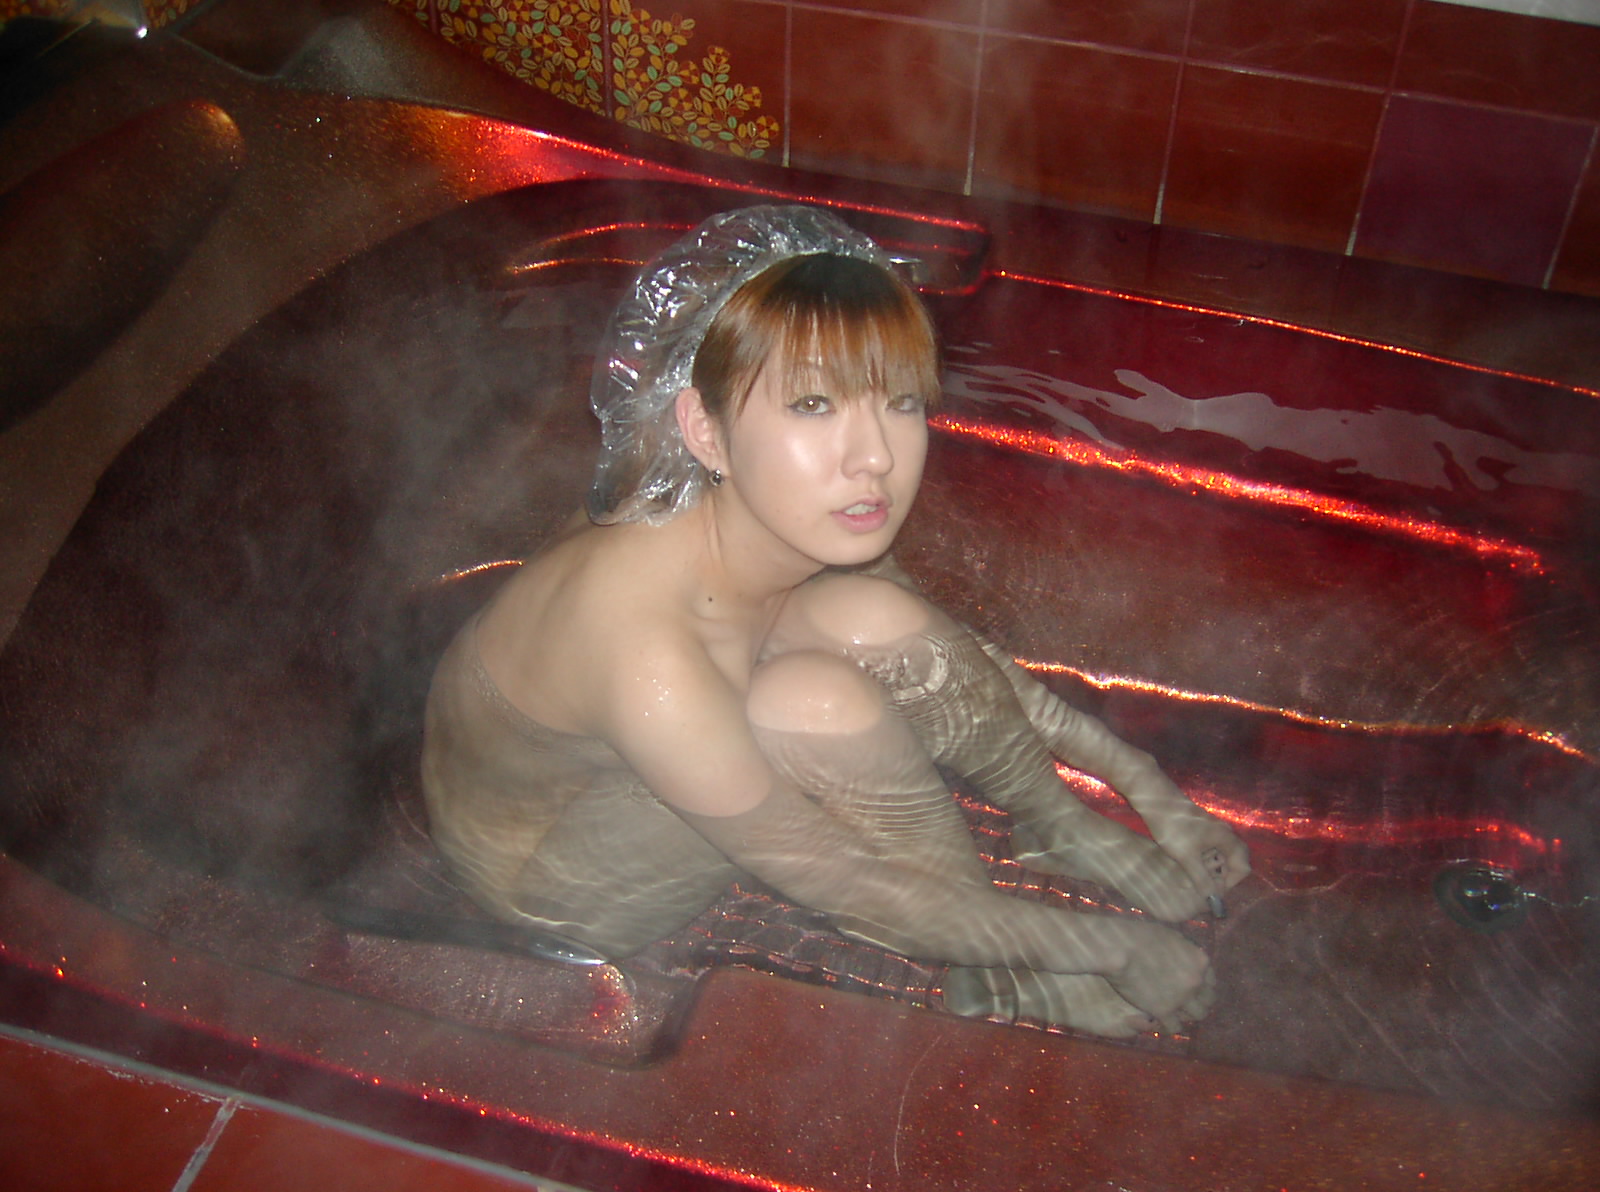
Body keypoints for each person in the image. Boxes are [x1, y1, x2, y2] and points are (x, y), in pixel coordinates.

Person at [421, 205, 1250, 1037]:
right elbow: (843, 880)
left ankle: (1054, 828)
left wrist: (1138, 781)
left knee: (875, 614)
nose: (876, 456)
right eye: (813, 404)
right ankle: (994, 972)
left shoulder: (773, 515)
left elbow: (953, 656)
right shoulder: (649, 655)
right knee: (812, 704)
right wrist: (1114, 950)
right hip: (555, 884)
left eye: (900, 401)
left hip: (649, 753)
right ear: (704, 429)